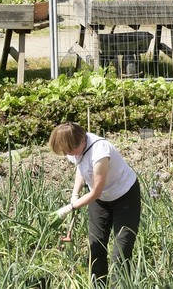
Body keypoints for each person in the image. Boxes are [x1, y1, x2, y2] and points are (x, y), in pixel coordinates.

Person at [49, 122, 141, 285]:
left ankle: (119, 285)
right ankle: (97, 285)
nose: (67, 154)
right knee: (96, 246)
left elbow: (95, 192)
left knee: (121, 250)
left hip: (125, 197)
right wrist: (75, 194)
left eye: (68, 151)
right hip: (101, 200)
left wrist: (69, 208)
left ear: (81, 142)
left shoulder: (100, 152)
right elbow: (81, 167)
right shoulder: (75, 148)